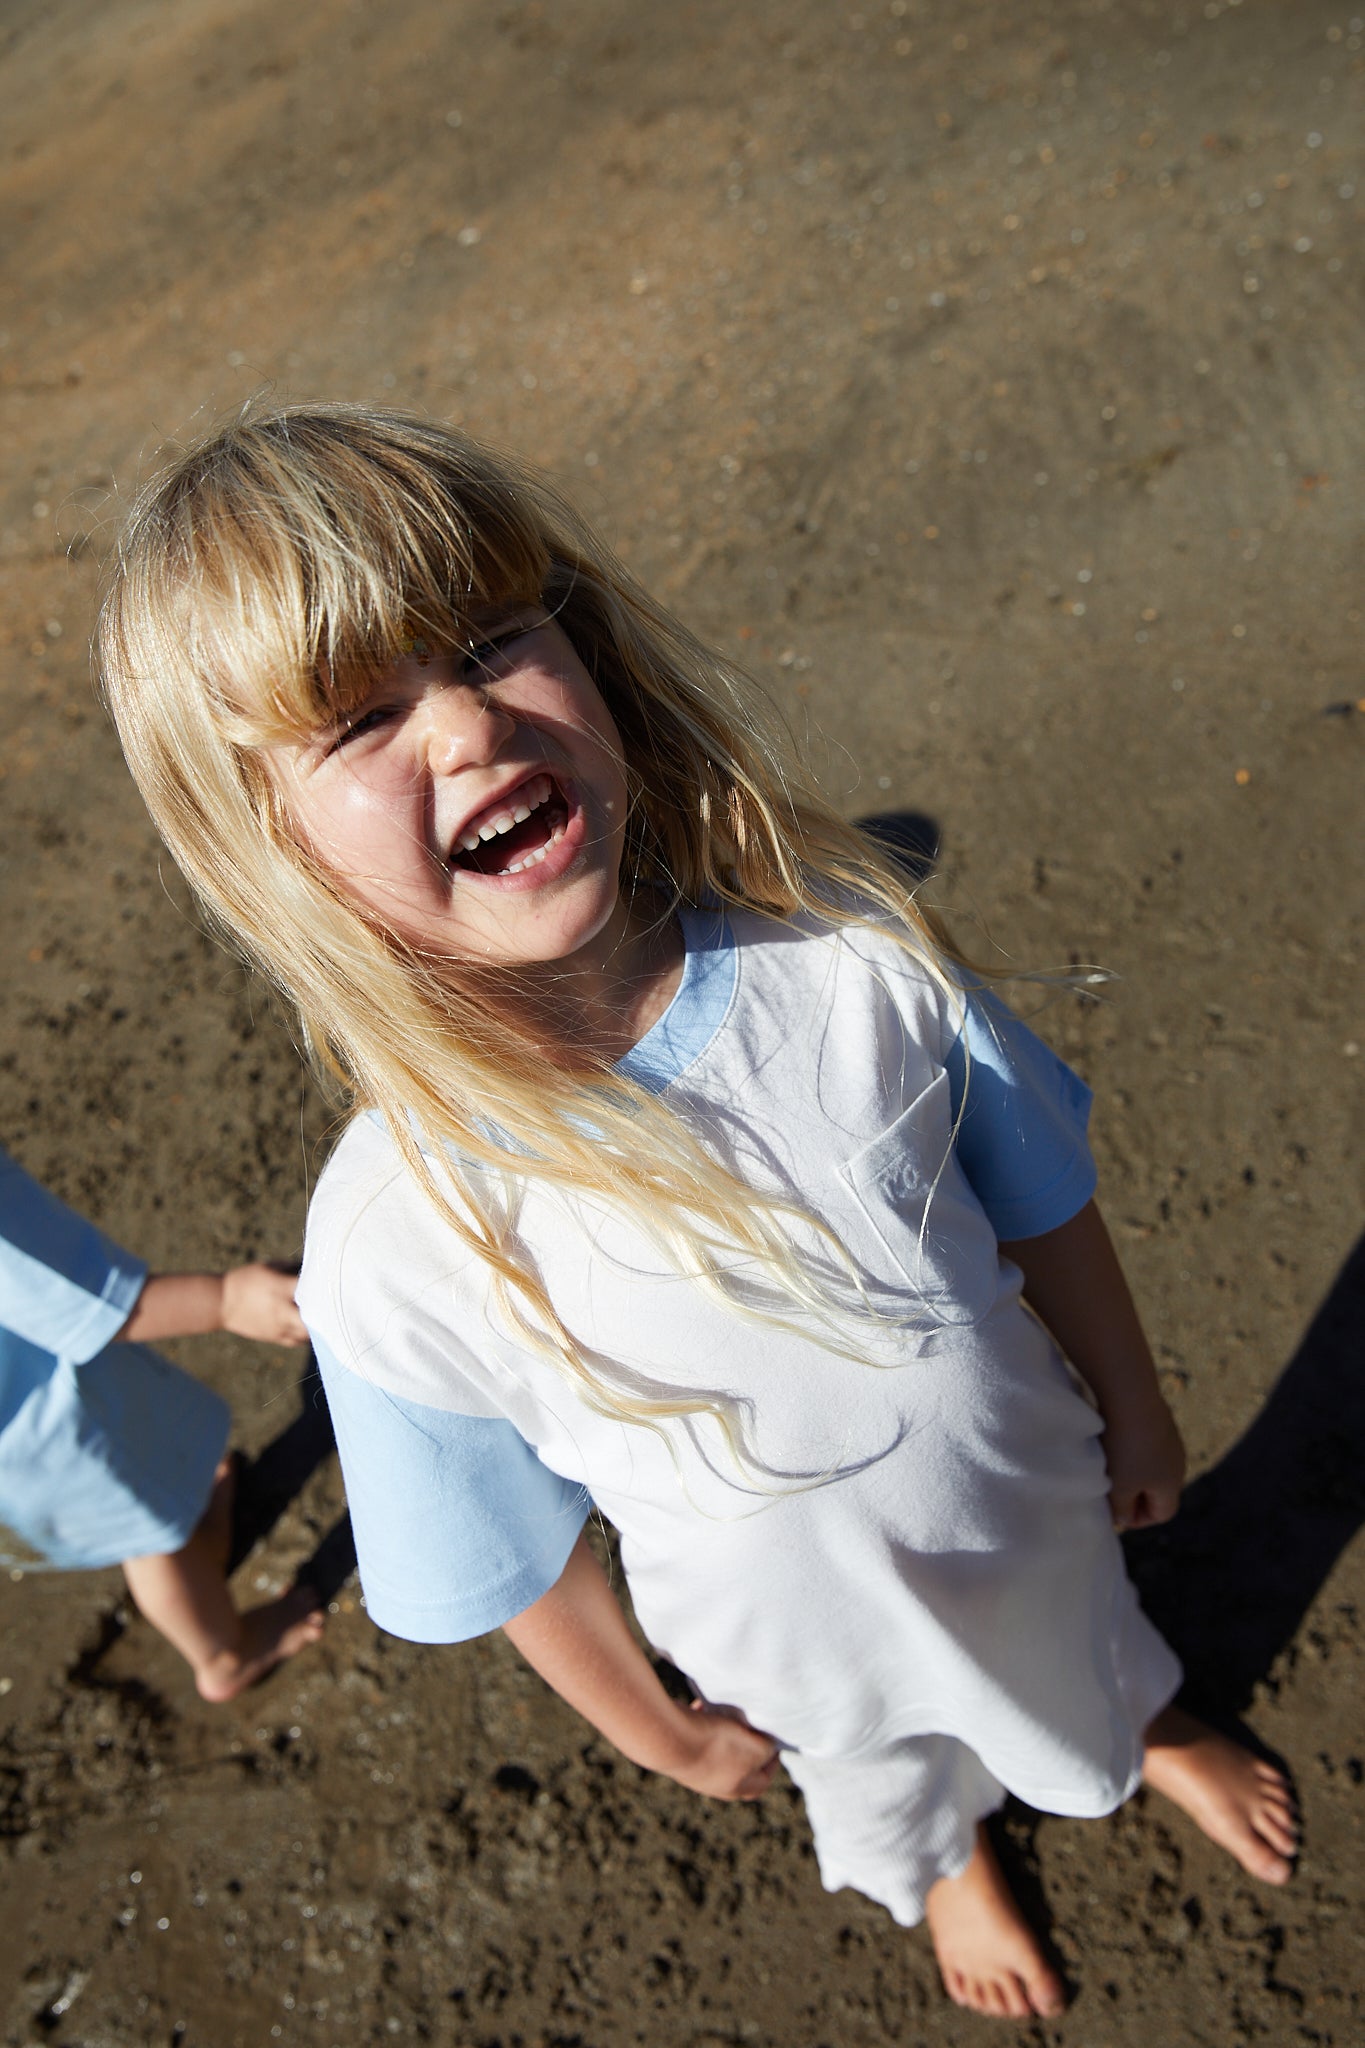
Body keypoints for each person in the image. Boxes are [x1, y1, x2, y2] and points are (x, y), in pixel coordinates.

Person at [100, 402, 1297, 2018]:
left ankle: (1139, 1724)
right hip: (788, 1646)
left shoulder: (851, 958)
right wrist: (654, 1727)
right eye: (362, 717)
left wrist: (1140, 1404)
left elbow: (1046, 1199)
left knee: (1087, 1624)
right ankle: (943, 1856)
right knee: (876, 1761)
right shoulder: (395, 1236)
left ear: (581, 646)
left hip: (1032, 1497)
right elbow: (506, 1555)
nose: (464, 726)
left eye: (492, 638)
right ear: (268, 837)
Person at [0, 1148, 324, 1701]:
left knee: (154, 1504)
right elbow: (52, 1289)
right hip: (47, 1441)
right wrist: (223, 1301)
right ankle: (224, 1655)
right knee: (149, 1535)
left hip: (24, 1431)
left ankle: (196, 1528)